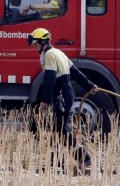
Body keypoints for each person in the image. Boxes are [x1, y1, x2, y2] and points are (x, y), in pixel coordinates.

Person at [28, 27, 98, 172]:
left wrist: (45, 100)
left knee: (61, 130)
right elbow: (75, 73)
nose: (35, 48)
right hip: (67, 93)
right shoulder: (59, 53)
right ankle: (55, 162)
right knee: (56, 129)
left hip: (60, 95)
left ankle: (84, 158)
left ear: (43, 42)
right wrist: (89, 85)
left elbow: (50, 79)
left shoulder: (49, 55)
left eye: (36, 44)